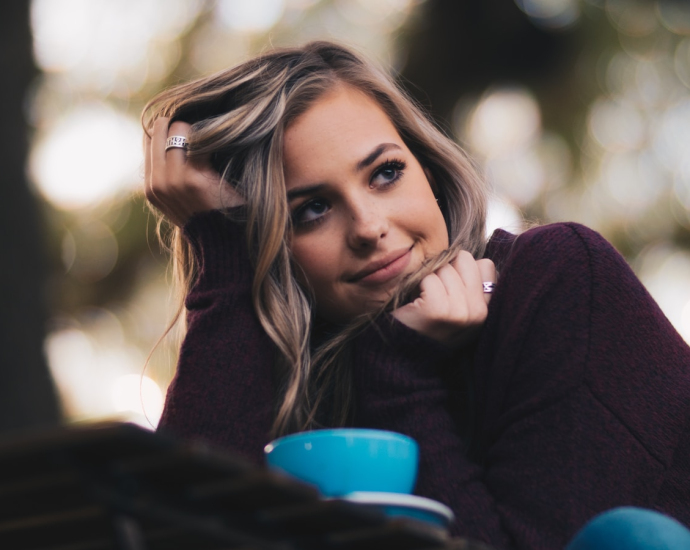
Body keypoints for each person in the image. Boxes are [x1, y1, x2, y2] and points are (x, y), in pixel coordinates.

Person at [142, 41, 690, 549]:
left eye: (385, 173)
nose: (368, 226)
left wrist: (399, 378)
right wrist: (223, 265)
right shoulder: (293, 395)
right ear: (269, 248)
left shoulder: (556, 280)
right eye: (311, 209)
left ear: (427, 169)